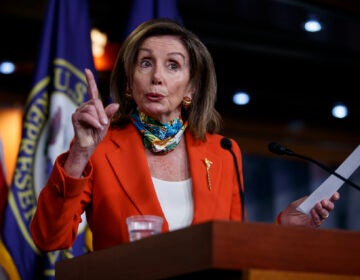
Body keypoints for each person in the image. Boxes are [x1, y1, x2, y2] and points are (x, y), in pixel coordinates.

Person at [30, 18, 339, 252]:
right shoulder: (99, 147)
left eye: (173, 66)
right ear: (129, 82)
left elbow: (230, 251)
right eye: (146, 63)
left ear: (191, 87)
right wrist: (80, 154)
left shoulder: (223, 153)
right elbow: (49, 238)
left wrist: (283, 229)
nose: (157, 77)